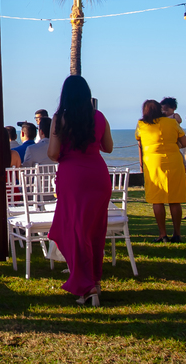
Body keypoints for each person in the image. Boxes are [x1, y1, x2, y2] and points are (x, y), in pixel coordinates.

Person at [46, 75, 113, 307]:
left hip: (73, 177)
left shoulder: (59, 119)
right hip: (98, 176)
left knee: (76, 231)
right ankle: (94, 280)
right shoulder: (99, 117)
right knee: (95, 230)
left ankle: (87, 286)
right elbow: (109, 147)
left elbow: (53, 154)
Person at [136, 99, 186, 242]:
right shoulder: (172, 123)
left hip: (153, 162)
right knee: (174, 199)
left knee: (157, 200)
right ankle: (177, 234)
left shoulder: (142, 125)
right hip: (173, 160)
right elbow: (185, 142)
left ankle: (162, 234)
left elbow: (138, 138)